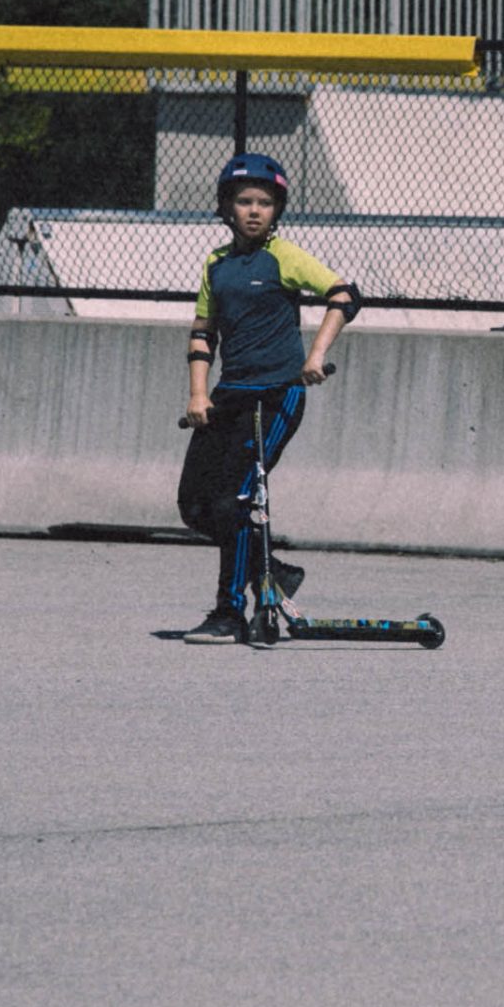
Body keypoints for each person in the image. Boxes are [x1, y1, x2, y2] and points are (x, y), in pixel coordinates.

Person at [175, 153, 360, 644]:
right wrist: (198, 394)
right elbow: (202, 333)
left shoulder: (285, 257)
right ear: (226, 207)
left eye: (265, 203)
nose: (255, 211)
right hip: (228, 397)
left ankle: (229, 613)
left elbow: (344, 295)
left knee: (234, 499)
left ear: (277, 210)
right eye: (244, 202)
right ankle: (272, 570)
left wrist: (315, 355)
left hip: (276, 396)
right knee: (194, 505)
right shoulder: (216, 264)